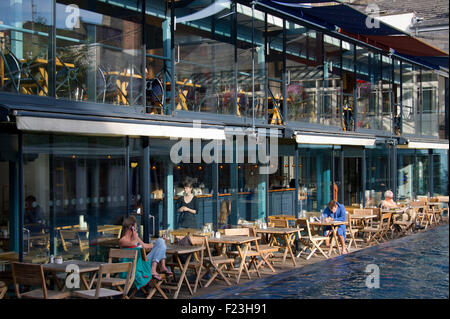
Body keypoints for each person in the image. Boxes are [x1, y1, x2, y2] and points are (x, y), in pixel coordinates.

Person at [119, 216, 172, 282]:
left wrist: (158, 245)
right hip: (136, 266)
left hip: (142, 262)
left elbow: (144, 245)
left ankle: (161, 266)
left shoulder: (135, 238)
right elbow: (133, 244)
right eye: (135, 227)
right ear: (131, 227)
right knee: (161, 245)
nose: (137, 229)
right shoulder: (123, 240)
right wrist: (135, 236)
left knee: (161, 241)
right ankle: (157, 268)